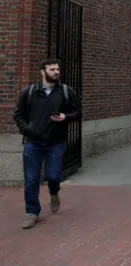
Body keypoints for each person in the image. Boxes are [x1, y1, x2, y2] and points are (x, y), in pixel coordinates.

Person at [13, 59, 81, 229]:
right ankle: (32, 212)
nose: (56, 72)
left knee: (53, 176)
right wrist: (27, 130)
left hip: (56, 142)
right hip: (33, 143)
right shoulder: (29, 93)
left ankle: (54, 192)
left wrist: (66, 117)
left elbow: (77, 112)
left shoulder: (66, 92)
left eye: (57, 69)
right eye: (52, 69)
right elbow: (18, 115)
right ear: (43, 72)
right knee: (31, 179)